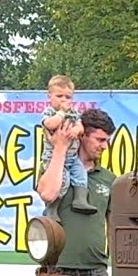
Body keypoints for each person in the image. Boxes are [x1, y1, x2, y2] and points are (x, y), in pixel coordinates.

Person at [35, 107, 116, 276]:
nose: (104, 146)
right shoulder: (54, 166)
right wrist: (60, 147)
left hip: (96, 274)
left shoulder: (109, 179)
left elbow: (114, 226)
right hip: (57, 273)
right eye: (100, 140)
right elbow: (48, 193)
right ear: (82, 136)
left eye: (107, 141)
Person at [41, 75, 97, 215]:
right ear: (50, 96)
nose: (64, 100)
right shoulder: (50, 112)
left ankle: (80, 200)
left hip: (72, 156)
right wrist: (61, 112)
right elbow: (50, 124)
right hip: (53, 157)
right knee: (62, 181)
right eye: (59, 96)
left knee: (81, 174)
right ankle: (52, 209)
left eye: (68, 97)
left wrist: (76, 130)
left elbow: (80, 126)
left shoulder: (73, 113)